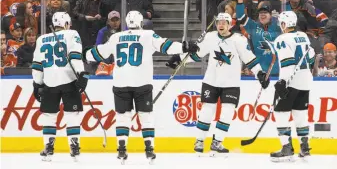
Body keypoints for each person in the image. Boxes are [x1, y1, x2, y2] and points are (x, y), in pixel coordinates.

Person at [82, 10, 199, 164]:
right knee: (146, 116)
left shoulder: (116, 37)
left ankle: (122, 148)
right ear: (141, 23)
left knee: (123, 116)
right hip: (142, 82)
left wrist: (85, 54)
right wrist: (184, 47)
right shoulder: (148, 35)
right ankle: (149, 148)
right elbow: (167, 46)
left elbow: (99, 53)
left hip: (120, 82)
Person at [166, 13, 270, 156]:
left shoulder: (239, 40)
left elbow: (250, 59)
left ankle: (217, 142)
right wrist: (179, 58)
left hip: (231, 83)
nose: (220, 25)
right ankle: (200, 141)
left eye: (224, 22)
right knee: (207, 110)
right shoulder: (210, 37)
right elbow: (197, 54)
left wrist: (260, 74)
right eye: (219, 22)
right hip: (211, 81)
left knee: (227, 112)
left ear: (230, 24)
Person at [32, 12, 88, 162]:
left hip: (49, 82)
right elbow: (75, 56)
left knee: (49, 116)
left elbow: (37, 65)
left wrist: (37, 84)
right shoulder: (72, 34)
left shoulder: (41, 39)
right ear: (67, 23)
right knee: (72, 115)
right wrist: (82, 74)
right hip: (69, 81)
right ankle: (74, 147)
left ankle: (48, 148)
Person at [270, 11, 315, 162]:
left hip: (290, 82)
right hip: (305, 81)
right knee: (300, 114)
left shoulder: (281, 39)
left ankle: (286, 147)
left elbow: (288, 62)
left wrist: (282, 81)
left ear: (283, 24)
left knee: (281, 113)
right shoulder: (304, 36)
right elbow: (312, 55)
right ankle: (304, 146)